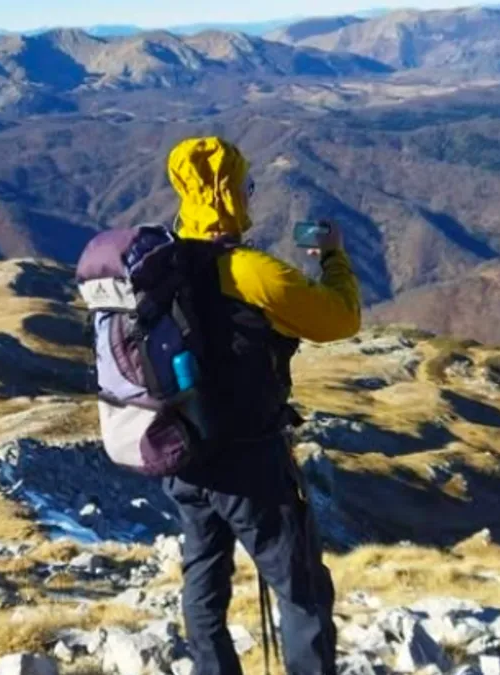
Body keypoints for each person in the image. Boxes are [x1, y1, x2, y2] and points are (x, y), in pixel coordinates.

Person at [161, 136, 362, 675]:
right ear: (230, 193)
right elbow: (340, 319)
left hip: (181, 453)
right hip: (250, 459)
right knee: (300, 590)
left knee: (202, 576)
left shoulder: (162, 264)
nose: (250, 195)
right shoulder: (252, 272)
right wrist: (333, 258)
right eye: (247, 185)